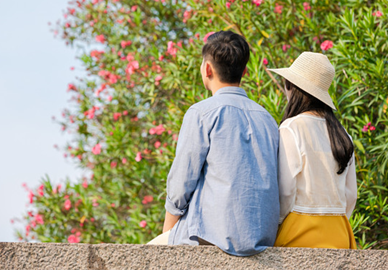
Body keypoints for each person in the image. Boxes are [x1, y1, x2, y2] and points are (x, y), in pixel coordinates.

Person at [147, 30, 280, 256]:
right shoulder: (268, 119)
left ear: (207, 69)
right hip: (262, 238)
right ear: (245, 71)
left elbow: (181, 184)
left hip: (210, 236)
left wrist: (168, 232)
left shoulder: (201, 113)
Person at [268, 52, 357, 249]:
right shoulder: (342, 134)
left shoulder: (291, 128)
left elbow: (286, 190)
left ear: (292, 87)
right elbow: (351, 195)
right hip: (340, 231)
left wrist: (279, 224)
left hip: (299, 231)